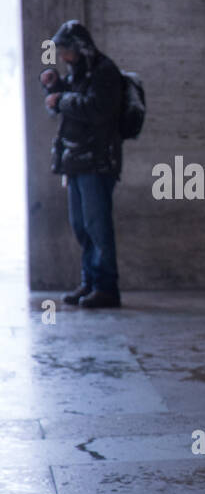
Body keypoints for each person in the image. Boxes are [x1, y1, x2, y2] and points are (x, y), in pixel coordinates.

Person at [40, 20, 123, 308]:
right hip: (77, 161)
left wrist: (60, 98)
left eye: (66, 52)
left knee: (97, 226)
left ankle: (106, 288)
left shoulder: (104, 72)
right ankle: (90, 282)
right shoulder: (81, 72)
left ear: (80, 48)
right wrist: (56, 85)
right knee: (82, 226)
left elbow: (96, 109)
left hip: (97, 162)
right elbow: (76, 102)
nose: (63, 57)